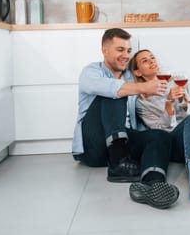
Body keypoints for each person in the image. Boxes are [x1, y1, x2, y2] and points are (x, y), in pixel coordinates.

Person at [72, 28, 179, 209]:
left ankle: (153, 183)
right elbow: (115, 88)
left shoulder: (130, 76)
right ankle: (118, 162)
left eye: (128, 51)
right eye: (120, 50)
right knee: (114, 92)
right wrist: (143, 87)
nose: (125, 55)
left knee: (159, 136)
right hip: (94, 147)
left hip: (124, 139)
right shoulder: (90, 72)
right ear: (105, 50)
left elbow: (148, 86)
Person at [129, 49, 190, 204]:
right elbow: (160, 133)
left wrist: (187, 103)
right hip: (175, 144)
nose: (152, 61)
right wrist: (168, 105)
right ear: (137, 72)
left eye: (152, 57)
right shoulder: (142, 101)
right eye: (145, 60)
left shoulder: (180, 82)